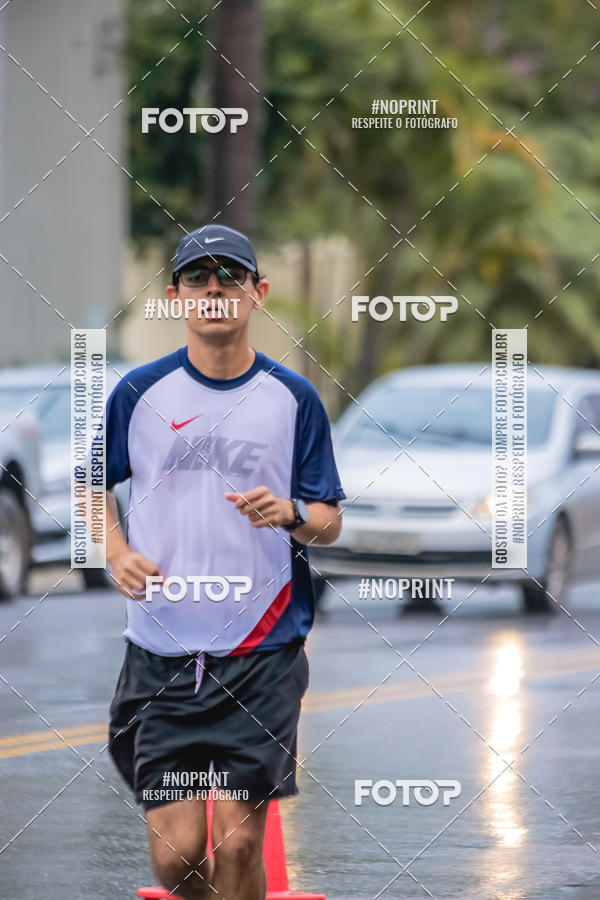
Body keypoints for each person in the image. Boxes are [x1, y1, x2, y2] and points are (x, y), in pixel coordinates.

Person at [104, 224, 345, 900]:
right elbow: (93, 484)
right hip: (161, 655)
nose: (215, 289)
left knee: (239, 846)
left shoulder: (293, 398)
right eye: (198, 278)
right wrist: (115, 550)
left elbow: (329, 520)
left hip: (262, 653)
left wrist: (290, 513)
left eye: (230, 277)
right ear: (175, 295)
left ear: (257, 292)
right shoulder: (137, 393)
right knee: (178, 859)